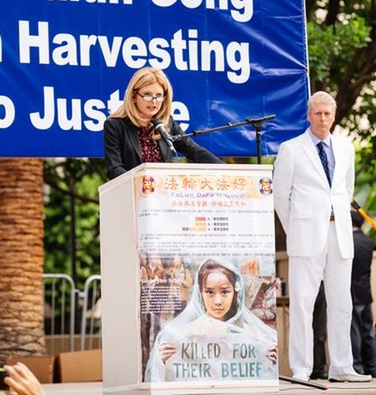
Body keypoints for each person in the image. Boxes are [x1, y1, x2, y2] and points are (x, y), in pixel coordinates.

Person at [273, 90, 372, 383]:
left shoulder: (345, 148)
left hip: (339, 234)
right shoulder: (291, 149)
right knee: (303, 304)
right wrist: (297, 230)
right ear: (308, 115)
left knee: (342, 303)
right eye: (317, 113)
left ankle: (342, 366)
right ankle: (301, 368)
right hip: (306, 235)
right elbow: (281, 196)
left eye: (327, 113)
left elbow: (346, 190)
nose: (323, 118)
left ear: (334, 115)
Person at [144, 257, 278, 382]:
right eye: (209, 292)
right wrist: (160, 362)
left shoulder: (254, 335)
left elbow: (260, 376)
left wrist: (270, 362)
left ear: (235, 292)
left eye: (225, 292)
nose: (218, 301)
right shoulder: (180, 335)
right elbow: (165, 379)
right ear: (200, 292)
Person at [103, 67, 222, 179]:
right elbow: (114, 169)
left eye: (159, 95)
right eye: (147, 95)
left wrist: (226, 170)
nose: (154, 101)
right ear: (134, 96)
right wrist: (143, 184)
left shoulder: (166, 123)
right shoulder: (115, 125)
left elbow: (194, 151)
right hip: (133, 195)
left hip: (164, 194)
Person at [350, 210, 376, 377]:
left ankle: (356, 366)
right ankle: (372, 368)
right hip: (366, 292)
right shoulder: (368, 241)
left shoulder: (348, 242)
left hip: (351, 292)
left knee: (354, 331)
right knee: (368, 331)